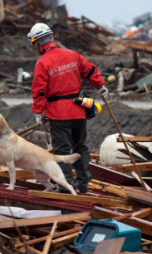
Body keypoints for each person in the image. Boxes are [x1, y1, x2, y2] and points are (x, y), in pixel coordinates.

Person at [28, 23, 108, 194]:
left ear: (37, 43)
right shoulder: (72, 55)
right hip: (78, 110)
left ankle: (66, 187)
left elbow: (39, 90)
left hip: (58, 113)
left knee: (62, 151)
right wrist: (100, 86)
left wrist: (38, 111)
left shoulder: (43, 62)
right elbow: (90, 70)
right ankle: (84, 184)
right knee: (80, 147)